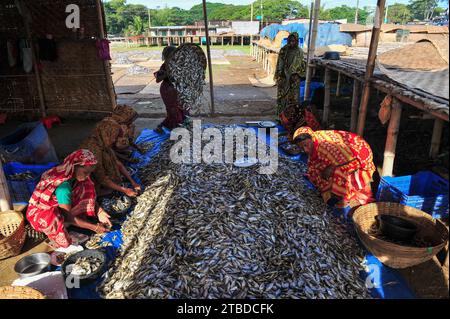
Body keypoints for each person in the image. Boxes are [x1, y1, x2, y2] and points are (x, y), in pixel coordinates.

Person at [26, 149, 112, 248]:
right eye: (85, 172)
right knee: (58, 220)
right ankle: (50, 231)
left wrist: (99, 211)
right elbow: (67, 217)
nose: (88, 176)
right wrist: (94, 227)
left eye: (89, 173)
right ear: (74, 166)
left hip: (63, 207)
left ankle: (73, 220)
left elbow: (88, 196)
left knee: (86, 186)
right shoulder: (64, 188)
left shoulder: (75, 175)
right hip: (42, 215)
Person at [293, 127, 376, 208]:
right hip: (341, 156)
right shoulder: (315, 142)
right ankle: (332, 189)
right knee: (315, 171)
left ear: (311, 138)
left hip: (358, 155)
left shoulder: (325, 145)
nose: (305, 150)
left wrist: (331, 167)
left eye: (306, 145)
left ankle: (344, 193)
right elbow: (313, 165)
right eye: (301, 147)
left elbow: (347, 158)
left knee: (338, 172)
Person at [80, 119, 141, 197]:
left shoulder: (104, 142)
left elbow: (117, 163)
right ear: (106, 134)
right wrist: (124, 190)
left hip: (104, 176)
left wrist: (133, 182)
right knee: (107, 191)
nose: (115, 140)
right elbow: (102, 178)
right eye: (114, 137)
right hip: (90, 179)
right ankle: (97, 193)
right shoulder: (93, 150)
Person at [154, 46, 187, 134]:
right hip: (167, 91)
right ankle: (175, 130)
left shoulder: (178, 64)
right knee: (173, 110)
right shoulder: (164, 66)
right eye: (173, 54)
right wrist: (166, 75)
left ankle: (162, 126)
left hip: (176, 90)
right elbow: (158, 80)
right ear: (168, 55)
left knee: (178, 109)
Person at [274, 32, 306, 116]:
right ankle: (281, 116)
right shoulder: (284, 50)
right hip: (284, 77)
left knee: (293, 98)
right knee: (282, 98)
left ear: (297, 41)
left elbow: (301, 65)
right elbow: (280, 63)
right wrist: (281, 72)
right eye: (290, 41)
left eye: (293, 41)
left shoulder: (300, 52)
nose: (292, 42)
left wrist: (295, 73)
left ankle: (292, 118)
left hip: (294, 79)